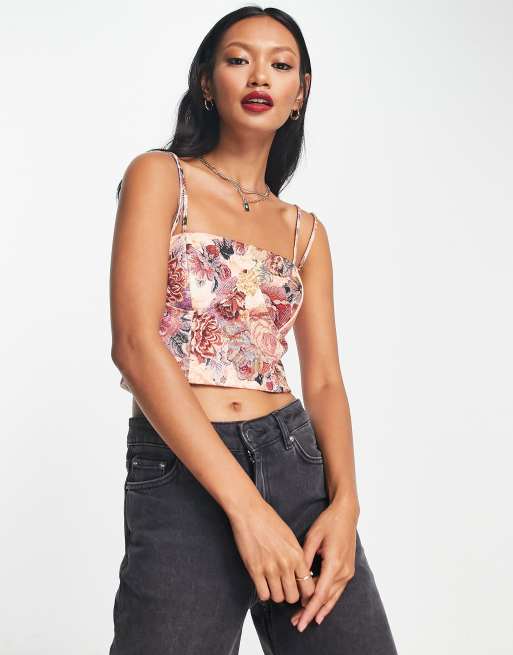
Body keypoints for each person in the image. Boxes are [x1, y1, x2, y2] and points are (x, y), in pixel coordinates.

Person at [109, 6, 398, 654]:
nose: (259, 75)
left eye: (280, 64)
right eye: (238, 59)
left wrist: (345, 505)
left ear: (301, 92)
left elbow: (324, 382)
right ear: (206, 83)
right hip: (182, 465)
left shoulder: (305, 232)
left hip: (294, 464)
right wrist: (246, 509)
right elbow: (133, 346)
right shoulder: (161, 177)